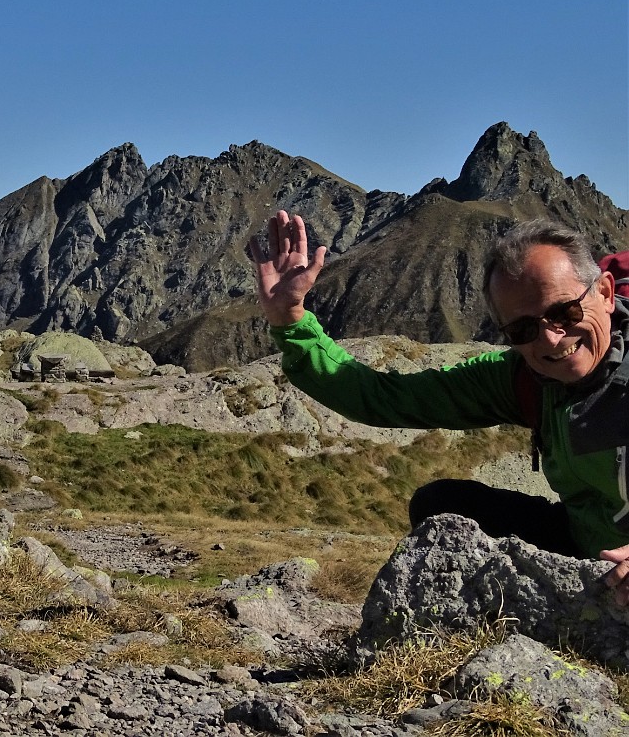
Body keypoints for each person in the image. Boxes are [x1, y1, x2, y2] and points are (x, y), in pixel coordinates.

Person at [247, 209, 629, 603]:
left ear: (604, 292)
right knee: (442, 507)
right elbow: (384, 399)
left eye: (564, 311)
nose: (550, 339)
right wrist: (290, 320)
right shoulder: (523, 379)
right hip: (584, 548)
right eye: (523, 329)